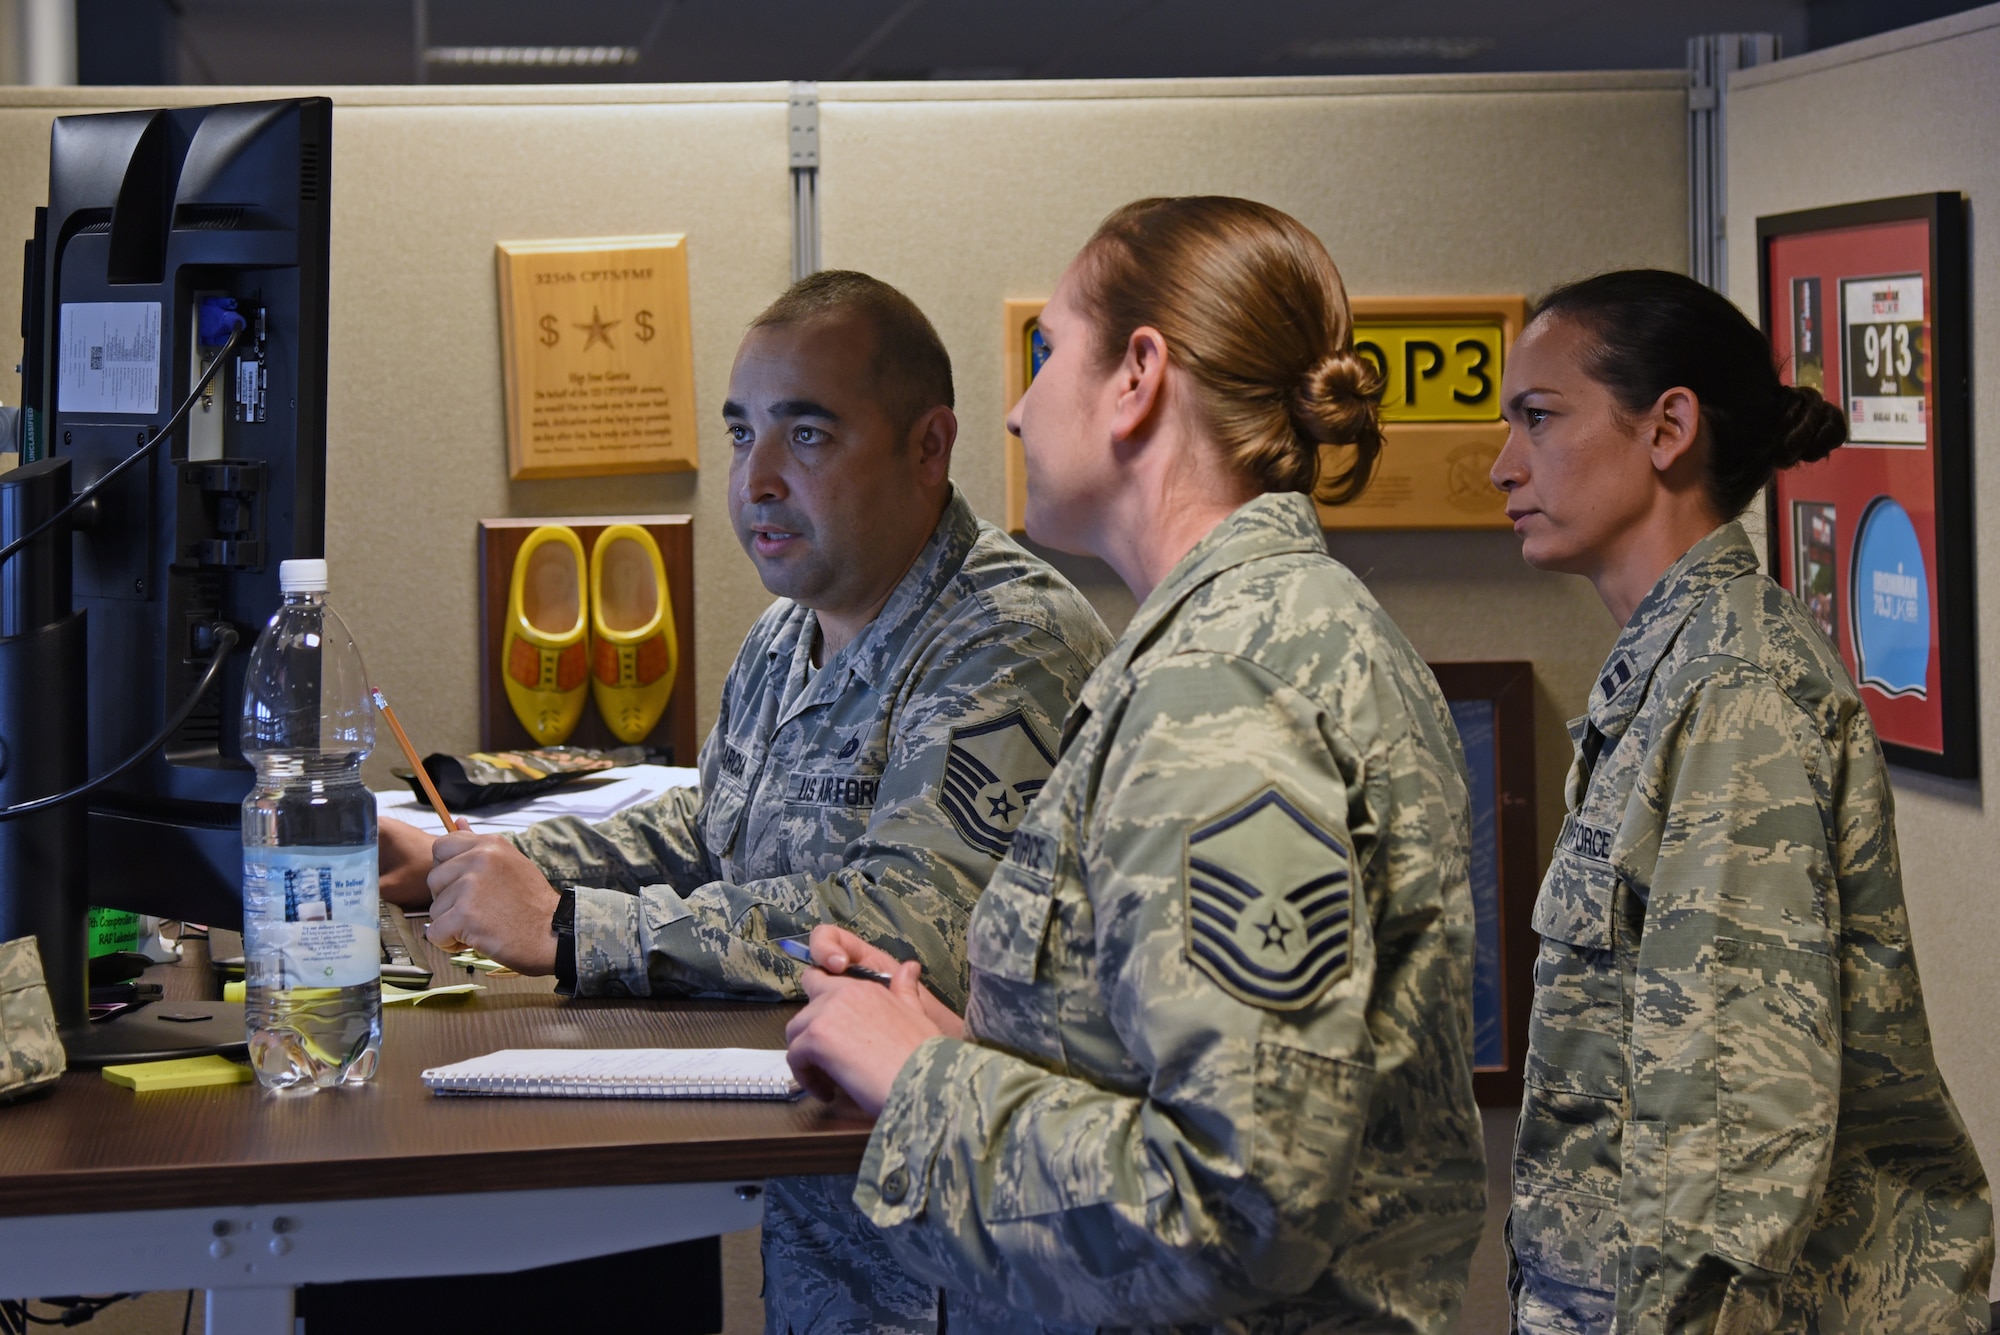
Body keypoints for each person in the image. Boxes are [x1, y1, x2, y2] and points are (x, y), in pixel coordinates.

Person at [782, 196, 1488, 1333]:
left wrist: (925, 1084)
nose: (1014, 411)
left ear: (1138, 376)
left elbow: (1229, 1207)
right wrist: (958, 1042)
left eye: (1048, 352)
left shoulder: (1222, 692)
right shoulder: (1261, 634)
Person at [378, 270, 1113, 1335]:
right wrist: (486, 857)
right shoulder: (788, 633)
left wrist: (570, 928)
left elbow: (911, 927)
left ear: (928, 445)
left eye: (805, 436)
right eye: (739, 436)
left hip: (962, 1255)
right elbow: (712, 827)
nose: (755, 479)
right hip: (831, 1241)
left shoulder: (1008, 641)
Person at [1489, 269, 1994, 1333]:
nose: (1502, 466)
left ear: (1666, 426)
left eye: (1538, 419)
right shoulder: (1675, 671)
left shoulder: (1730, 690)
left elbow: (1728, 1153)